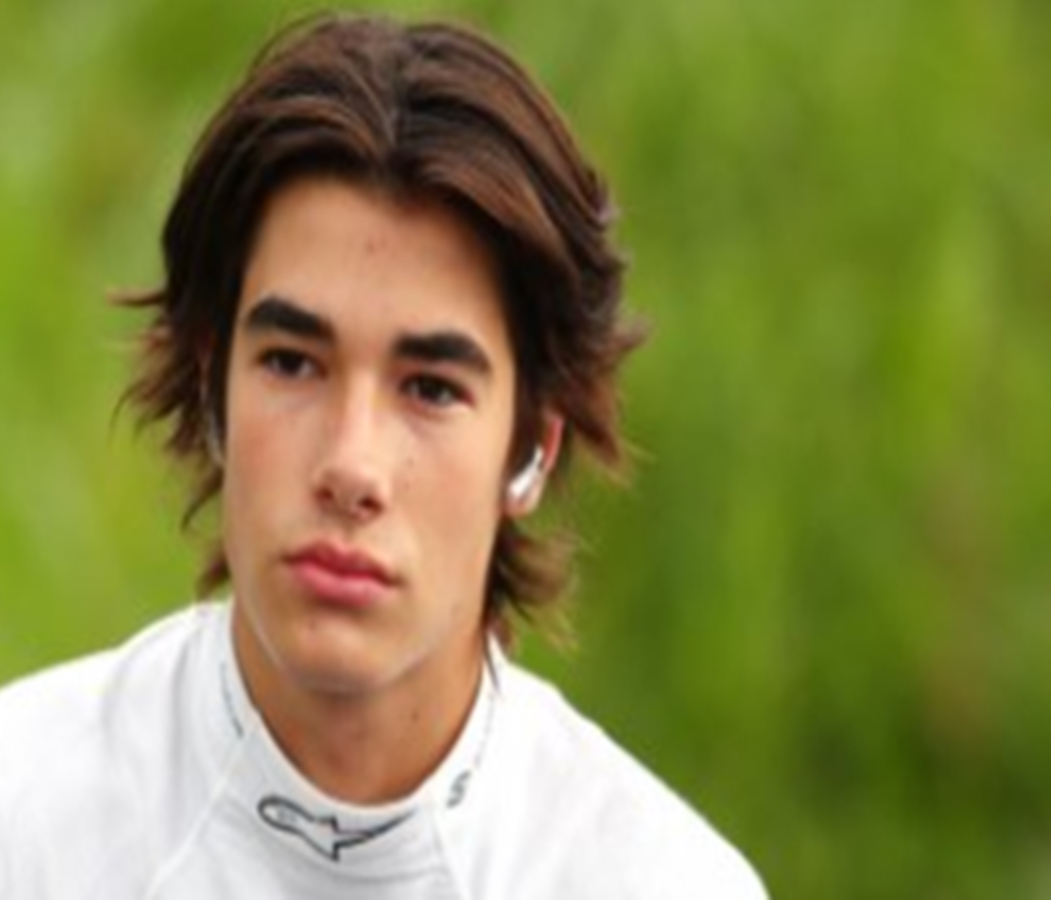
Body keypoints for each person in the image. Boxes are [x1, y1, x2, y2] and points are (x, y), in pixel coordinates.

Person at [0, 12, 767, 899]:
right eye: (292, 363)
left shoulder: (657, 881)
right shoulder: (25, 812)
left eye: (431, 388)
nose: (352, 467)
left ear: (532, 444)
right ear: (214, 388)